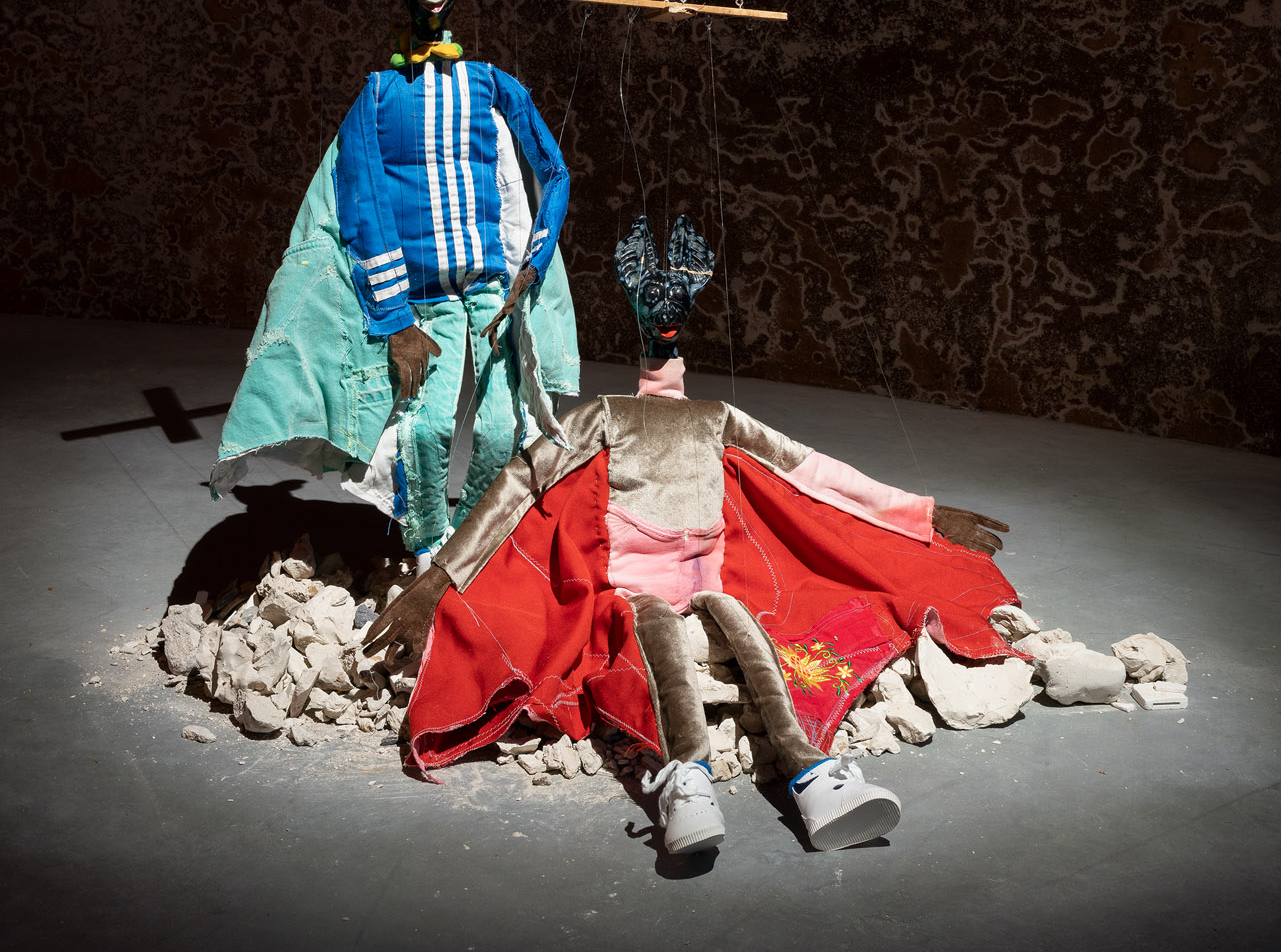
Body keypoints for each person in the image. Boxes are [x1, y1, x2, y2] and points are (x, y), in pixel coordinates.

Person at [363, 214, 1015, 857]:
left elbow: (815, 475)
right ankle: (687, 777)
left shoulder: (716, 418)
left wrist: (921, 515)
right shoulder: (604, 417)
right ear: (638, 315)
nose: (665, 314)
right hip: (631, 590)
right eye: (654, 304)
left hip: (711, 581)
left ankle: (814, 773)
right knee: (662, 648)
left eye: (675, 303)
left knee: (749, 635)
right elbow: (516, 488)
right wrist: (436, 583)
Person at [210, 0, 578, 564]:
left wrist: (533, 263)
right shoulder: (378, 95)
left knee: (501, 429)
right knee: (426, 431)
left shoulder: (491, 84)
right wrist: (396, 319)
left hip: (491, 292)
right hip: (425, 298)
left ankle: (476, 549)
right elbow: (362, 203)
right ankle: (429, 550)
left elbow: (556, 171)